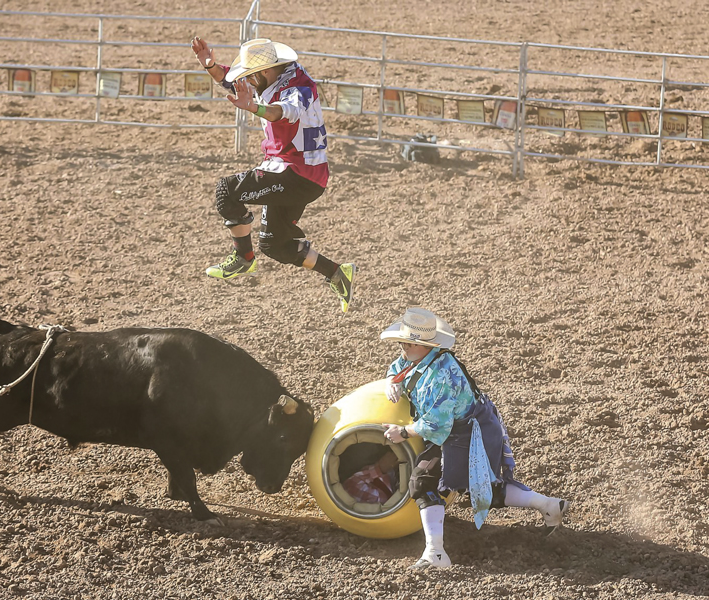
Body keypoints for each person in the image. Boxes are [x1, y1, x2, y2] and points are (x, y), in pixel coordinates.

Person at [380, 307, 569, 569]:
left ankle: (436, 554)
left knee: (425, 482)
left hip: (467, 433)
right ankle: (549, 505)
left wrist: (402, 432)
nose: (403, 347)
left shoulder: (441, 375)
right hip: (470, 426)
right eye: (403, 341)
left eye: (409, 343)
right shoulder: (420, 359)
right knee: (483, 489)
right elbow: (399, 365)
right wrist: (392, 379)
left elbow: (436, 424)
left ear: (426, 345)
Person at [190, 36, 357, 313]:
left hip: (296, 173)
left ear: (266, 71)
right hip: (299, 173)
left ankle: (243, 257)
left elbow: (284, 112)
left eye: (250, 76)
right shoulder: (275, 78)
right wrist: (210, 66)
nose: (247, 82)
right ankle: (338, 273)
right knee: (274, 244)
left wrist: (254, 107)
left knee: (226, 190)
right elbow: (236, 85)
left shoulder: (299, 88)